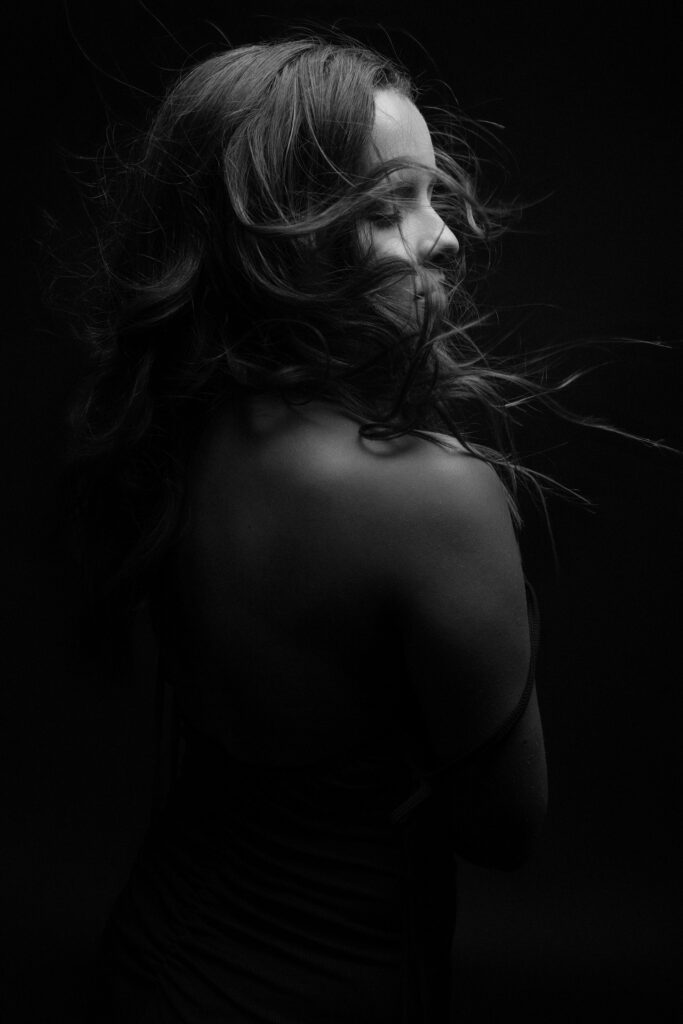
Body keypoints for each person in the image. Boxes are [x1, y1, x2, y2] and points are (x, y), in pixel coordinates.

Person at [61, 34, 548, 1024]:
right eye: (383, 209)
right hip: (326, 986)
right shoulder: (427, 493)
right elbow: (505, 829)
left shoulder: (171, 431)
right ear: (271, 241)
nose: (445, 234)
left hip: (152, 964)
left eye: (430, 193)